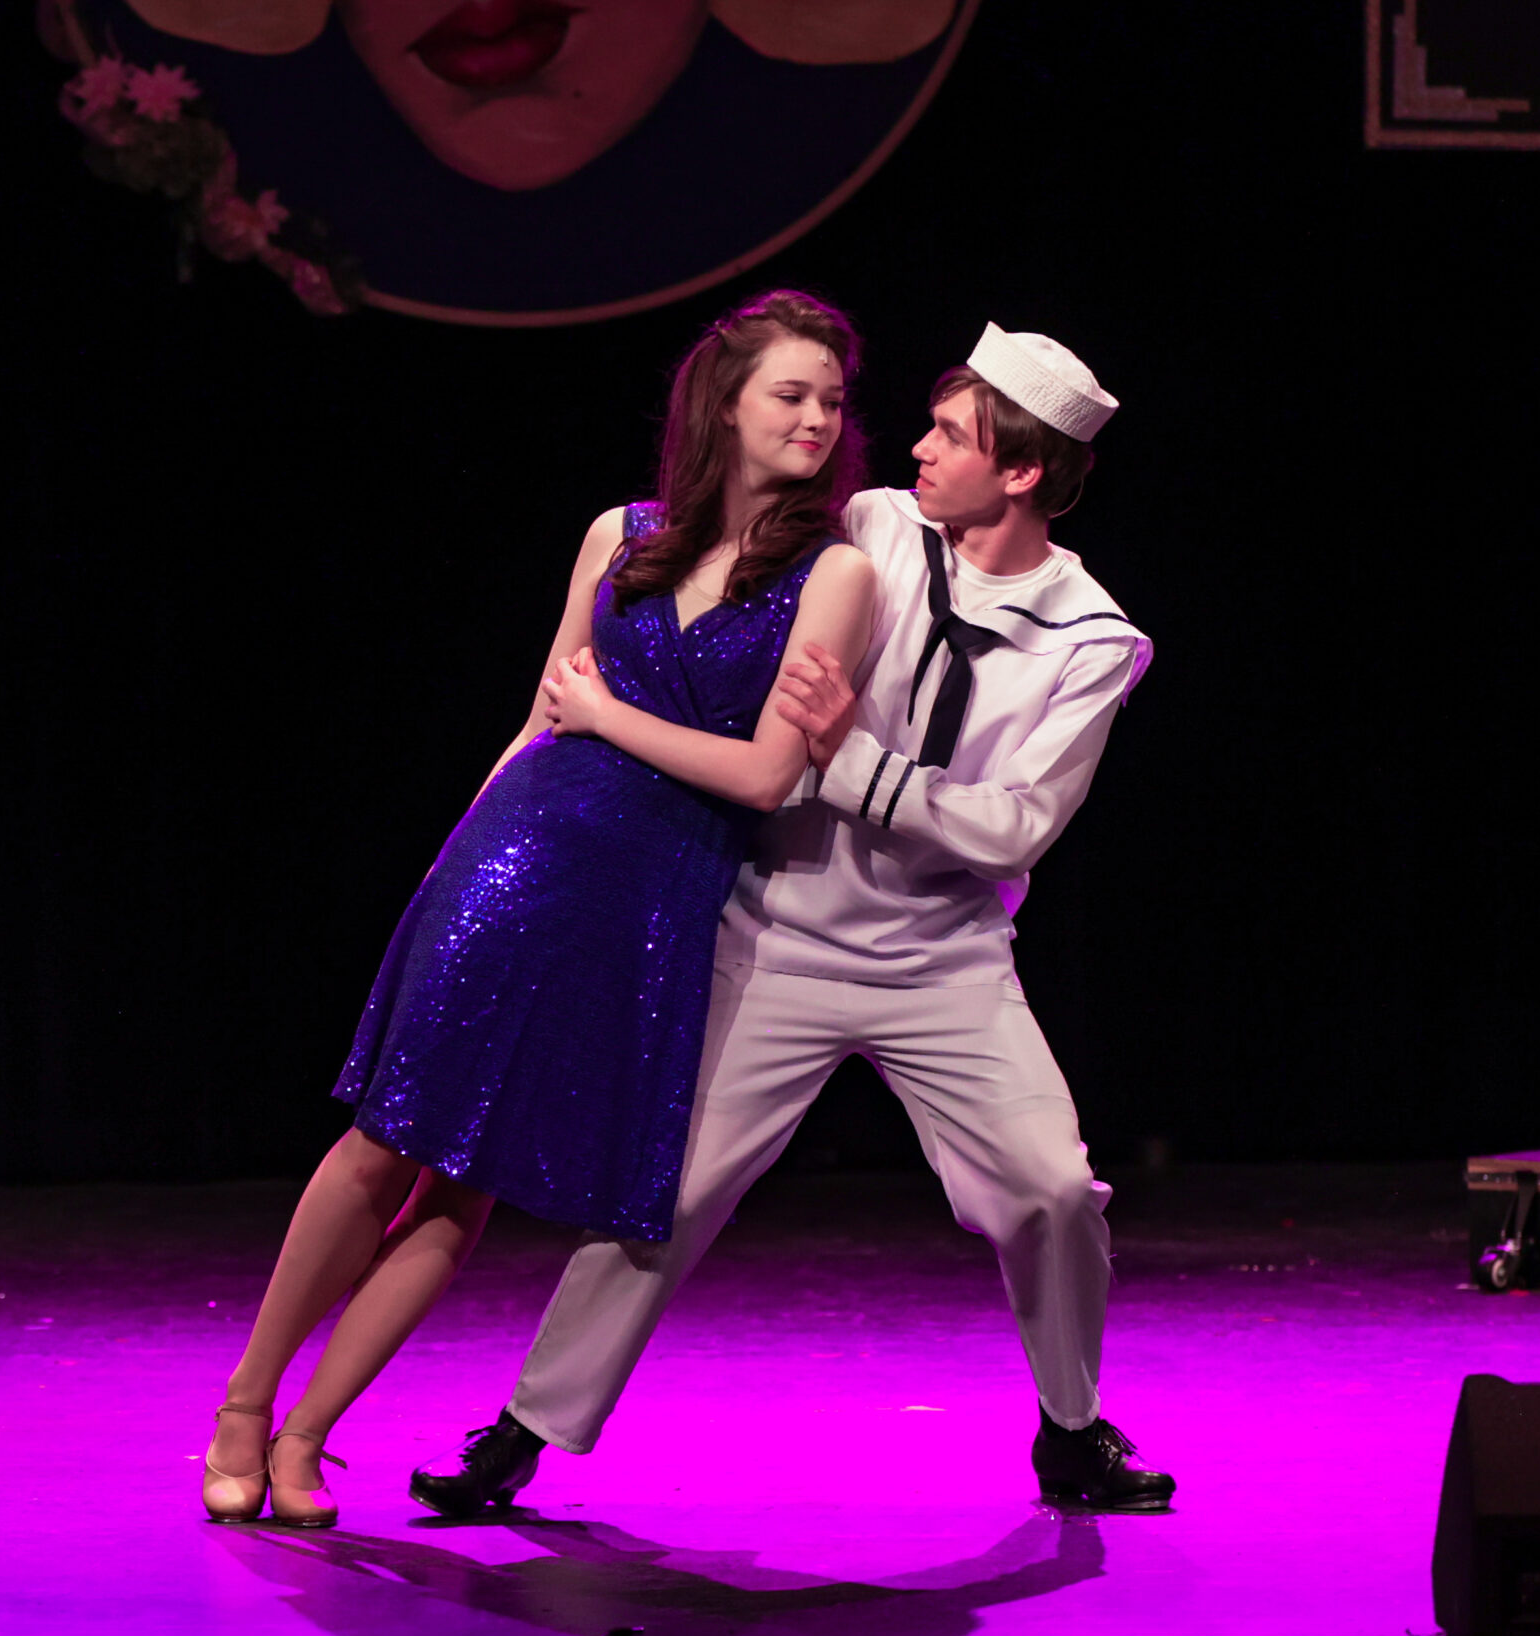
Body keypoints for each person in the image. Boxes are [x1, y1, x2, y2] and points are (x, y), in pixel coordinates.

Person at [411, 323, 1174, 1515]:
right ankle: (527, 1426)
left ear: (1021, 472)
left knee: (1051, 1193)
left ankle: (1072, 1428)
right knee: (669, 1181)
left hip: (943, 962)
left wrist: (848, 762)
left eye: (951, 436)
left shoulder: (1091, 640)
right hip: (777, 931)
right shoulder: (867, 528)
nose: (912, 447)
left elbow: (1013, 829)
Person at [200, 289, 876, 1526]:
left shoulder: (834, 575)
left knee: (468, 1189)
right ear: (723, 403)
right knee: (385, 1141)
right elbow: (534, 721)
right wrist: (450, 862)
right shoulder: (622, 535)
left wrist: (612, 716)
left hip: (648, 902)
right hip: (518, 860)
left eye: (833, 402)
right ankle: (245, 1404)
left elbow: (768, 776)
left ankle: (303, 1436)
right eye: (791, 394)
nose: (819, 421)